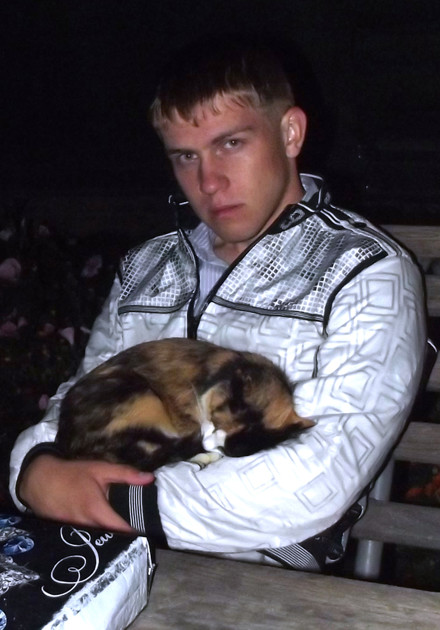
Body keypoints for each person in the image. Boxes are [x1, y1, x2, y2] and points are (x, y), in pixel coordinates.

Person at [9, 38, 426, 570]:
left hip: (254, 571)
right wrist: (35, 468)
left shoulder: (364, 271)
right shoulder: (147, 266)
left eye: (230, 143)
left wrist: (111, 502)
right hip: (102, 553)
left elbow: (319, 475)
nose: (208, 182)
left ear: (290, 133)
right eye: (186, 156)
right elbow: (79, 399)